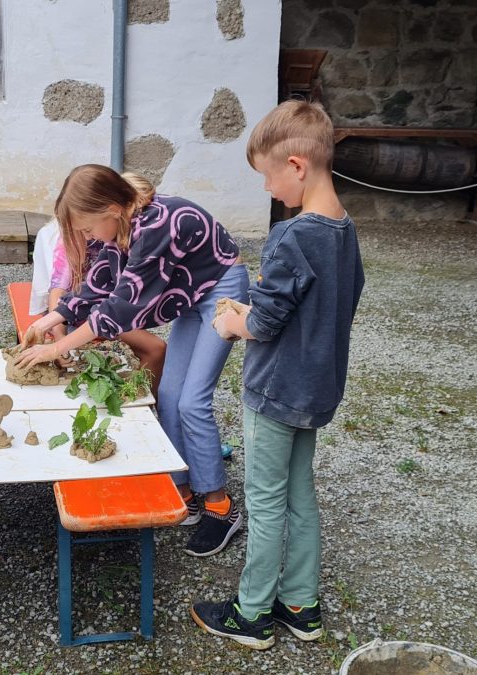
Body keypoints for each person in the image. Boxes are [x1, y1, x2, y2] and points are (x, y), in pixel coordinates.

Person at [191, 100, 364, 649]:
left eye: (267, 177)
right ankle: (300, 603)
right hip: (315, 389)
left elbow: (263, 323)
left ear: (295, 166)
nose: (267, 189)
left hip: (273, 391)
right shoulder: (344, 228)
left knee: (264, 501)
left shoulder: (294, 236)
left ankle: (250, 613)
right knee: (299, 496)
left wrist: (230, 320)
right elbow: (333, 303)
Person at [16, 164, 250, 557]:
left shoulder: (156, 226)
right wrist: (49, 319)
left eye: (88, 229)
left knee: (192, 400)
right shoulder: (115, 225)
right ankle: (184, 490)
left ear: (110, 209)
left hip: (220, 288)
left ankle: (220, 508)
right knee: (171, 394)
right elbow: (96, 286)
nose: (87, 237)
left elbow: (117, 310)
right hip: (191, 292)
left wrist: (56, 349)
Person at [29, 173, 167, 394]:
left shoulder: (128, 234)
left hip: (109, 310)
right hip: (83, 311)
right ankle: (133, 399)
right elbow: (59, 292)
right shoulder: (76, 237)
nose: (87, 234)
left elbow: (123, 300)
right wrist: (57, 335)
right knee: (152, 347)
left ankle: (140, 403)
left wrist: (57, 345)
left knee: (155, 348)